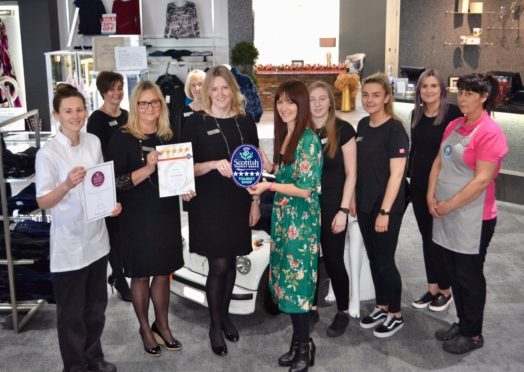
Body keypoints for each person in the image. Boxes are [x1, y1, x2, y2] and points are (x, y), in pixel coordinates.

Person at [35, 84, 121, 372]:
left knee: (96, 310)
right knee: (71, 315)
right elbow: (44, 200)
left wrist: (111, 204)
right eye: (68, 111)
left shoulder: (93, 142)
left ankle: (93, 358)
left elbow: (101, 184)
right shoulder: (48, 153)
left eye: (79, 109)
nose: (75, 116)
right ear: (57, 115)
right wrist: (67, 184)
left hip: (97, 240)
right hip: (69, 246)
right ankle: (74, 367)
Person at [181, 65, 260, 356]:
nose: (220, 93)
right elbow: (183, 167)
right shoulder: (195, 122)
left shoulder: (246, 120)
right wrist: (213, 164)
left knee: (231, 261)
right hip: (209, 203)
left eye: (224, 87)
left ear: (233, 89)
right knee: (219, 266)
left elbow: (254, 167)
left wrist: (254, 202)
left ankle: (224, 314)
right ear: (205, 91)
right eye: (213, 88)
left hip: (238, 202)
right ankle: (215, 324)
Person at [428, 73, 508, 354]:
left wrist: (449, 204)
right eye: (460, 92)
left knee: (469, 275)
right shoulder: (454, 124)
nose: (462, 98)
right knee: (453, 270)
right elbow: (439, 160)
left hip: (474, 218)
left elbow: (482, 180)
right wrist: (431, 195)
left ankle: (473, 333)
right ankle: (462, 322)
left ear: (484, 97)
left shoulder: (490, 132)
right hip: (448, 211)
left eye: (470, 93)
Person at [248, 80, 322, 372]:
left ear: (301, 105)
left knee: (298, 285)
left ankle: (304, 346)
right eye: (280, 101)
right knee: (285, 282)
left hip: (301, 222)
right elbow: (285, 176)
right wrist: (268, 168)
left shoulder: (307, 139)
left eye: (290, 102)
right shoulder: (287, 135)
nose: (284, 107)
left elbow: (305, 188)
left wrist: (269, 184)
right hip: (283, 219)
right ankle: (298, 342)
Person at [107, 80, 184, 357]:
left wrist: (185, 187)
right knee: (140, 276)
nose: (149, 107)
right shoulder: (122, 138)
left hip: (165, 214)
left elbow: (178, 173)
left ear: (161, 105)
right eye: (143, 103)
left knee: (163, 272)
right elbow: (116, 183)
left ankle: (162, 325)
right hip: (136, 217)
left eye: (154, 102)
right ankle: (144, 328)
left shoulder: (168, 136)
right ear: (135, 106)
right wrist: (148, 168)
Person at [355, 73, 409, 338]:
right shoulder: (363, 125)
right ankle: (382, 306)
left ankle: (396, 314)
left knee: (385, 260)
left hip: (386, 207)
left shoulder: (395, 130)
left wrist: (385, 211)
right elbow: (361, 169)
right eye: (365, 94)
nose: (370, 100)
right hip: (365, 204)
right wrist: (354, 198)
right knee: (374, 258)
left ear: (387, 97)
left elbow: (397, 175)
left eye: (376, 95)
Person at [410, 69, 463, 312]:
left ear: (442, 89)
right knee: (426, 237)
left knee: (441, 239)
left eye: (433, 86)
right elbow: (416, 150)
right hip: (419, 184)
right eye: (424, 86)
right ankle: (432, 287)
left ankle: (446, 289)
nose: (429, 91)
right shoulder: (416, 114)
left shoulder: (452, 114)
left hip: (442, 186)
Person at [307, 81, 356, 337]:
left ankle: (343, 311)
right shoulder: (302, 130)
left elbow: (351, 173)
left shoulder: (344, 130)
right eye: (312, 99)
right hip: (306, 207)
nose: (316, 104)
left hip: (333, 206)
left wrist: (343, 210)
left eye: (321, 98)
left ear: (330, 102)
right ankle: (312, 307)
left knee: (335, 260)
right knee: (311, 260)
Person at [87, 71, 131, 302]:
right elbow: (96, 156)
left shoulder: (126, 115)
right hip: (110, 182)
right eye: (112, 89)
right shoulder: (97, 119)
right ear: (103, 92)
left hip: (130, 181)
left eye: (119, 87)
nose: (117, 93)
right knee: (114, 234)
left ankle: (120, 272)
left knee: (125, 232)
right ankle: (119, 279)